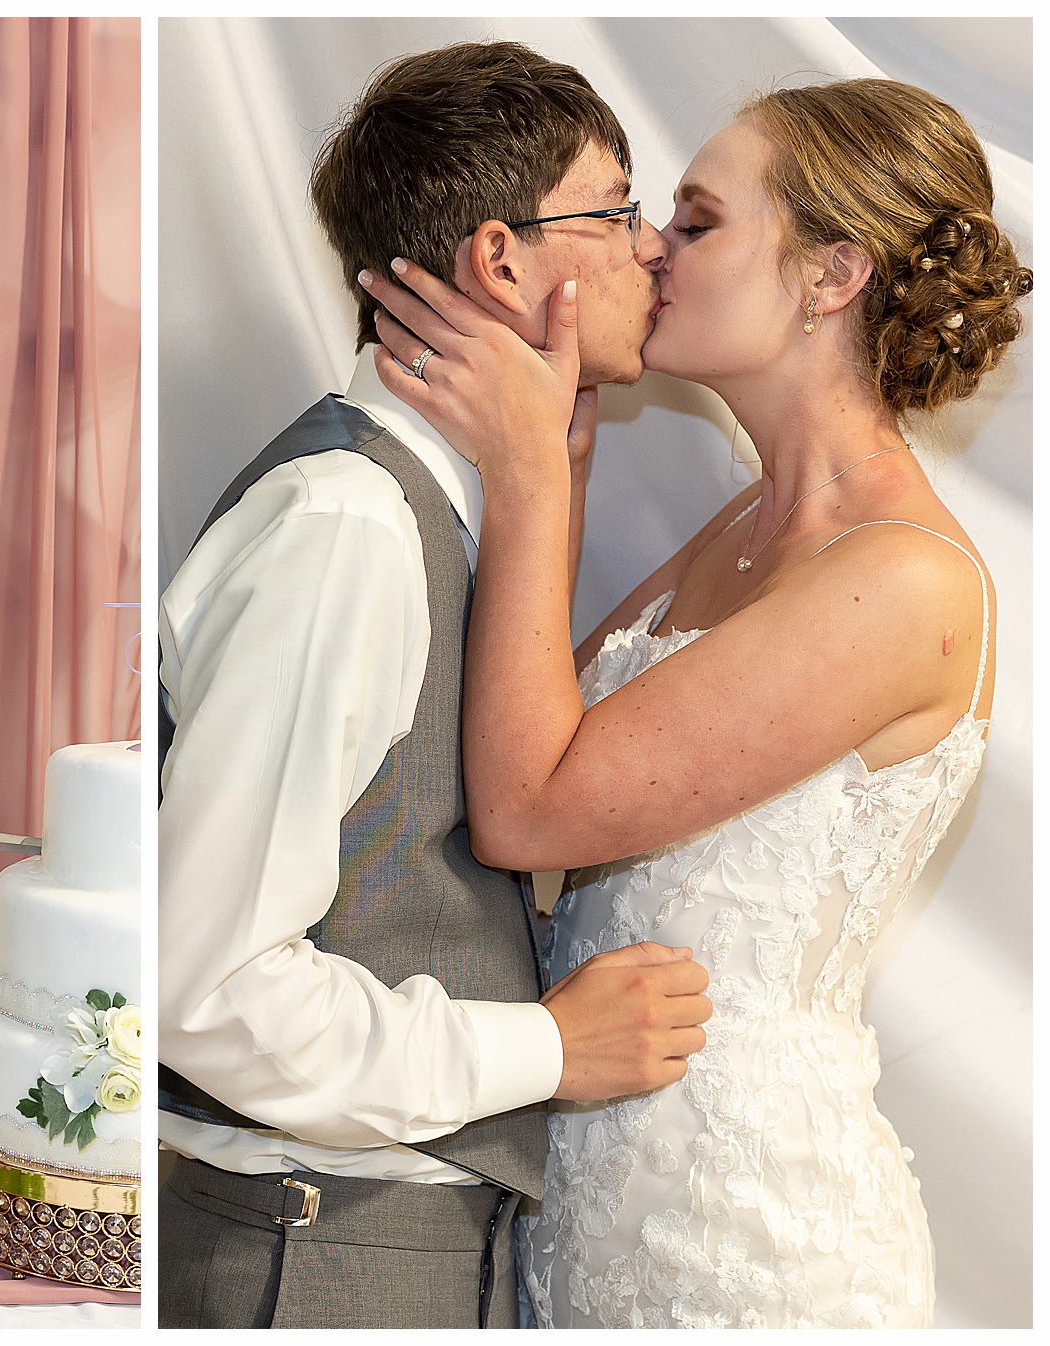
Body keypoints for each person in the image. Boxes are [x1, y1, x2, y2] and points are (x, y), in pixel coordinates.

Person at [361, 77, 1029, 1328]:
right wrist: (557, 450)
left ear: (832, 276)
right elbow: (530, 727)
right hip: (597, 1188)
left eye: (701, 219)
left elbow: (527, 813)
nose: (655, 246)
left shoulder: (900, 579)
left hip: (746, 1233)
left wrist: (525, 476)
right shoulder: (747, 525)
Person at [157, 44, 712, 1330]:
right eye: (616, 208)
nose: (652, 248)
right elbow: (208, 980)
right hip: (311, 1256)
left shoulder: (443, 510)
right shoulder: (348, 521)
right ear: (500, 257)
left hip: (386, 1243)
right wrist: (553, 1048)